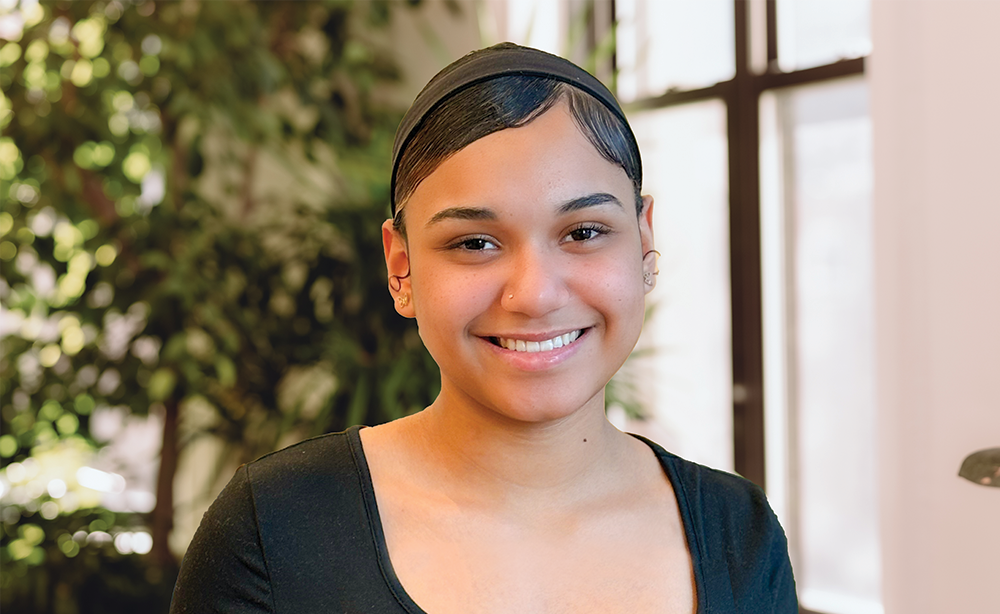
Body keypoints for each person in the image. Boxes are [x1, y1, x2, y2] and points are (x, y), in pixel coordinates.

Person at [169, 43, 797, 614]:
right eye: (475, 242)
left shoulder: (736, 533)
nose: (534, 295)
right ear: (402, 267)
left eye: (582, 233)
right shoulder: (278, 529)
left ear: (643, 239)